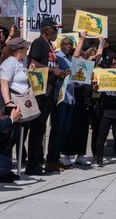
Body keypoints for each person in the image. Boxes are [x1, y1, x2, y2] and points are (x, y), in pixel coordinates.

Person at [25, 17, 63, 175]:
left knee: (40, 129)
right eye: (55, 29)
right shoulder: (39, 43)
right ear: (46, 29)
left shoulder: (50, 46)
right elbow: (32, 64)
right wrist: (52, 70)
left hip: (49, 91)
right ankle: (32, 165)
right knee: (37, 128)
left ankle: (37, 161)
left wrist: (60, 72)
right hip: (40, 92)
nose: (56, 32)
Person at [44, 33, 81, 173]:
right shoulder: (57, 57)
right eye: (66, 44)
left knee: (64, 131)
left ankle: (56, 159)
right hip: (60, 97)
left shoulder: (72, 60)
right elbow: (53, 73)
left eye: (71, 45)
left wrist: (83, 80)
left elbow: (75, 82)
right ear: (61, 45)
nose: (69, 46)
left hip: (70, 98)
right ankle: (51, 160)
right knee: (57, 130)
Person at [93, 47, 116, 167]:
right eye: (114, 64)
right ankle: (99, 158)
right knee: (101, 136)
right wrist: (95, 89)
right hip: (106, 111)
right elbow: (96, 93)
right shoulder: (104, 75)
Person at [0, 35, 29, 162]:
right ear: (20, 49)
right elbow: (4, 83)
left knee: (15, 136)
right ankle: (2, 168)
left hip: (21, 101)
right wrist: (8, 103)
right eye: (26, 47)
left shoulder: (19, 63)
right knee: (8, 137)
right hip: (13, 101)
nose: (27, 50)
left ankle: (6, 167)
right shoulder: (10, 62)